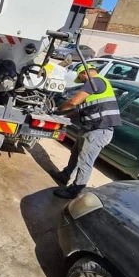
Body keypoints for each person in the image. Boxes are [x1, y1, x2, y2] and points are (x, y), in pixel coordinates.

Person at [50, 63, 121, 199]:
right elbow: (81, 110)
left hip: (99, 130)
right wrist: (65, 117)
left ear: (84, 73)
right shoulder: (98, 85)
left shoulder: (95, 81)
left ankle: (75, 190)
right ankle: (65, 175)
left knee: (85, 162)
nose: (82, 82)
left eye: (80, 78)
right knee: (75, 153)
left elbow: (73, 102)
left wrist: (57, 110)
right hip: (91, 128)